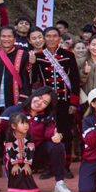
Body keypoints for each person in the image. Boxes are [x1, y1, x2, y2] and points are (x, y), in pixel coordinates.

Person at [0, 87, 70, 192]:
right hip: (16, 157)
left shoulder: (46, 116)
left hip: (35, 155)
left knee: (56, 145)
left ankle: (60, 183)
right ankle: (18, 180)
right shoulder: (14, 110)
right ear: (34, 94)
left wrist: (55, 136)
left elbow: (50, 131)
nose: (39, 103)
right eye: (40, 97)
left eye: (45, 102)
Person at [32, 27, 80, 179]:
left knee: (65, 133)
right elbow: (33, 79)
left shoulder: (68, 55)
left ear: (60, 38)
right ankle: (49, 166)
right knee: (47, 133)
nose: (51, 39)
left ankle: (65, 166)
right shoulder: (38, 56)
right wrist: (31, 64)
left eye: (54, 36)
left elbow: (75, 79)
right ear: (44, 38)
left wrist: (74, 102)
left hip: (65, 101)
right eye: (48, 36)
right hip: (46, 103)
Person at [0, 25, 33, 115]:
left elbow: (26, 80)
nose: (6, 39)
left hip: (14, 102)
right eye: (3, 36)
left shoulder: (23, 55)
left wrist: (22, 100)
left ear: (14, 39)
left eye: (9, 36)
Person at [4, 112, 41, 192]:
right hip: (13, 161)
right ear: (13, 126)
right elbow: (10, 150)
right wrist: (15, 164)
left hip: (26, 161)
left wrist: (27, 164)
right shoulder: (9, 136)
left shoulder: (29, 136)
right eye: (22, 123)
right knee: (14, 175)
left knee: (27, 174)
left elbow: (30, 150)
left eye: (26, 123)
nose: (26, 126)